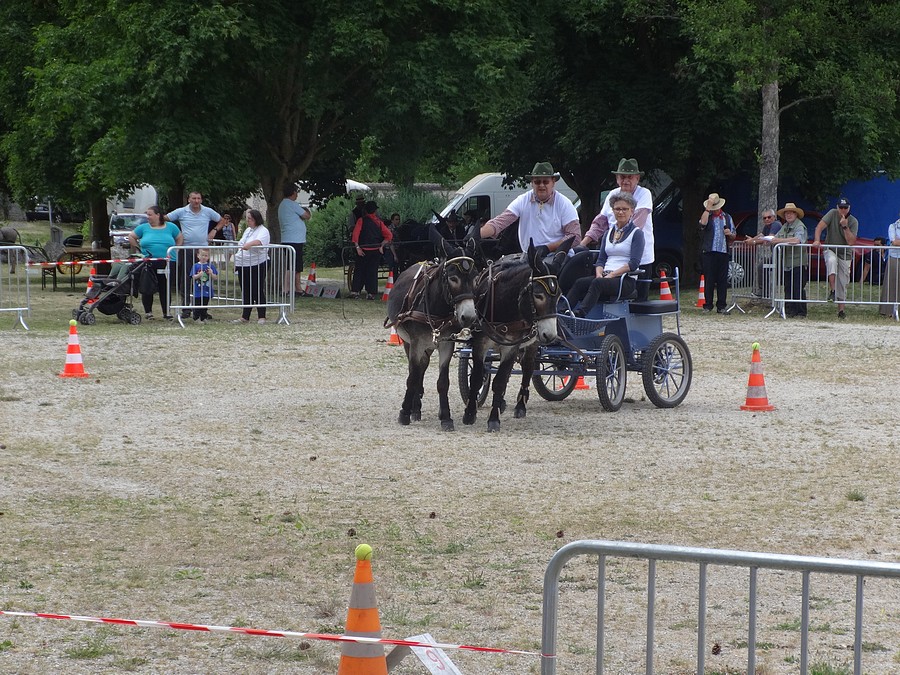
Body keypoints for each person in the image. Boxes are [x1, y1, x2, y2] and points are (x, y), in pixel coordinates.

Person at [580, 158, 655, 300]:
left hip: (639, 258)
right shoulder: (612, 195)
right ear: (617, 178)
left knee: (639, 302)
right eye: (622, 177)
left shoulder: (644, 194)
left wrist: (616, 241)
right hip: (613, 260)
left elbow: (636, 223)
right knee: (603, 294)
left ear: (637, 178)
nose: (625, 180)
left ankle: (638, 321)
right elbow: (600, 223)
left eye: (630, 177)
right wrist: (582, 244)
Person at [566, 192, 645, 317]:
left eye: (625, 209)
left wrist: (612, 275)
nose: (621, 212)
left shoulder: (637, 234)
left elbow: (634, 263)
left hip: (625, 279)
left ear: (632, 212)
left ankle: (580, 314)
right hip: (605, 275)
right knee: (580, 282)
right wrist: (599, 273)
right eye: (617, 209)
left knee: (598, 284)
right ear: (613, 211)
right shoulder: (608, 233)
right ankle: (562, 312)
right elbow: (601, 259)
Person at [480, 161, 579, 253]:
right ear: (532, 182)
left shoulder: (565, 204)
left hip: (559, 256)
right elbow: (499, 223)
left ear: (553, 182)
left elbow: (575, 237)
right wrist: (477, 234)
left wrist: (548, 248)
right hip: (529, 257)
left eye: (545, 182)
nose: (541, 185)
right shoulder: (522, 200)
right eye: (537, 182)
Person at [166, 191, 222, 317]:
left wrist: (214, 231)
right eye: (194, 198)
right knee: (186, 277)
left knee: (204, 277)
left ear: (201, 200)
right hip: (186, 248)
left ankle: (202, 309)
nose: (196, 201)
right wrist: (173, 234)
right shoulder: (181, 212)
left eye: (198, 198)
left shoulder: (208, 211)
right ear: (188, 199)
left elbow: (221, 220)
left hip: (203, 250)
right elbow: (165, 218)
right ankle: (186, 307)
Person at [128, 205, 183, 320]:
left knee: (165, 287)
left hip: (168, 261)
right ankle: (148, 312)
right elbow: (131, 237)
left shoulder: (171, 227)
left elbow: (179, 237)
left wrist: (176, 248)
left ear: (158, 215)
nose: (147, 217)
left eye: (150, 214)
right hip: (148, 262)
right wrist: (138, 250)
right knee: (147, 286)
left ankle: (166, 312)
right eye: (147, 214)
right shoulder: (143, 228)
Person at [813, 197, 858, 319]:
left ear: (849, 208)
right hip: (831, 248)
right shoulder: (832, 213)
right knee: (831, 261)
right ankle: (832, 290)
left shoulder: (853, 221)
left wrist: (845, 226)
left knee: (843, 282)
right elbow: (819, 227)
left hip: (845, 253)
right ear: (837, 207)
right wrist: (817, 240)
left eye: (845, 208)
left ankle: (841, 310)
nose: (843, 210)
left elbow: (851, 242)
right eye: (841, 207)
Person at [698, 193, 735, 314]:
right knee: (709, 279)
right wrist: (707, 208)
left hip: (723, 252)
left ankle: (721, 306)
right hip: (709, 251)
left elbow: (734, 234)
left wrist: (730, 234)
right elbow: (702, 224)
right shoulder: (707, 216)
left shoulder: (727, 217)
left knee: (722, 280)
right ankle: (708, 305)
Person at [232, 209, 271, 324]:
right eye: (247, 218)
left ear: (256, 219)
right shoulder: (248, 230)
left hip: (258, 263)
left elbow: (259, 242)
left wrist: (249, 245)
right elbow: (241, 243)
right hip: (243, 263)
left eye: (250, 219)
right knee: (246, 290)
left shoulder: (263, 230)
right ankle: (245, 316)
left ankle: (261, 316)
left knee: (257, 289)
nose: (248, 221)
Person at [771, 202, 809, 318]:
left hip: (798, 262)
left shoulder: (800, 226)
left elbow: (797, 240)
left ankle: (801, 311)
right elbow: (775, 237)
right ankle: (789, 310)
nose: (788, 215)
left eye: (791, 213)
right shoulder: (785, 226)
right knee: (788, 287)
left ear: (796, 214)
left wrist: (779, 241)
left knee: (797, 287)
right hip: (787, 262)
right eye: (786, 213)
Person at [350, 200, 392, 299]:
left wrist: (357, 248)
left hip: (363, 250)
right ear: (375, 211)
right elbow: (389, 236)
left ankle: (355, 291)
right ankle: (371, 293)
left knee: (359, 270)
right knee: (372, 271)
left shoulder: (361, 220)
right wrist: (381, 245)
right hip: (376, 250)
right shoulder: (379, 222)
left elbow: (355, 235)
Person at [277, 183, 311, 295]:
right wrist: (306, 211)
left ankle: (298, 288)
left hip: (290, 239)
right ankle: (286, 289)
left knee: (296, 265)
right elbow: (306, 215)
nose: (297, 195)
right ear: (293, 193)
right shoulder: (291, 204)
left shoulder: (283, 204)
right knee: (292, 265)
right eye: (296, 192)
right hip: (294, 240)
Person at [747, 209, 781, 297]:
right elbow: (761, 236)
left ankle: (764, 292)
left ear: (774, 217)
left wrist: (754, 242)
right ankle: (763, 292)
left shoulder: (776, 224)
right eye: (764, 218)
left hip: (783, 256)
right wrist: (751, 239)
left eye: (769, 217)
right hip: (776, 256)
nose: (766, 219)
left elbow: (770, 238)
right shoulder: (767, 227)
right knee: (762, 266)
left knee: (762, 266)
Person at [879, 215, 900, 317]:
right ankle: (888, 311)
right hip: (894, 257)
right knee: (891, 283)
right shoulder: (893, 226)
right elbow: (894, 242)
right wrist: (897, 242)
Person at [190, 248, 218, 323]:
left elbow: (215, 277)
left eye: (206, 256)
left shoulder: (211, 266)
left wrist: (211, 273)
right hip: (198, 290)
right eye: (202, 255)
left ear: (208, 257)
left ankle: (203, 317)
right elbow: (193, 277)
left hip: (207, 289)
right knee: (197, 304)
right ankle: (196, 318)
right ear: (198, 256)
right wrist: (199, 275)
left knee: (205, 304)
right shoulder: (195, 266)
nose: (204, 257)